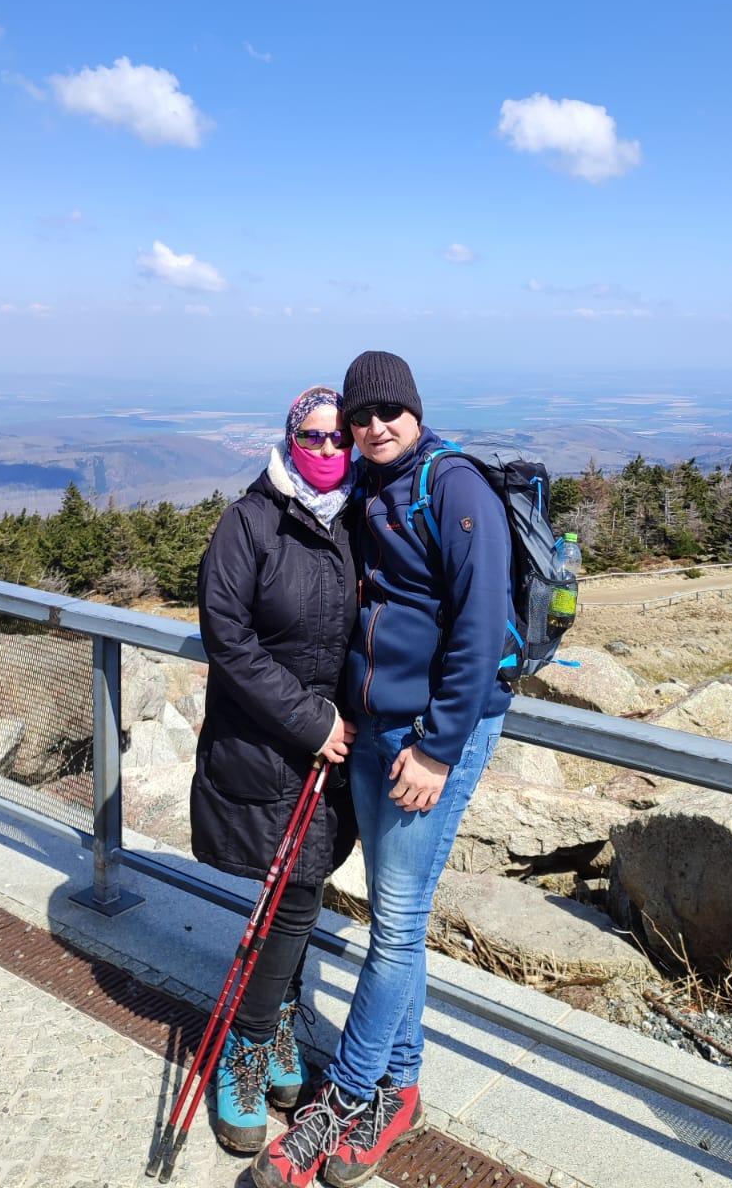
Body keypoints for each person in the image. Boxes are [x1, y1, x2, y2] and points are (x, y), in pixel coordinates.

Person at [253, 351, 515, 1188]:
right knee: (397, 924)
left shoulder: (455, 488)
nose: (372, 428)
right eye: (360, 417)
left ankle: (344, 1099)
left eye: (387, 412)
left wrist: (437, 750)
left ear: (415, 409)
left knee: (396, 926)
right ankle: (400, 1092)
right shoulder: (372, 483)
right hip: (374, 727)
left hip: (428, 739)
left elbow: (480, 629)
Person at [192, 385, 359, 1155]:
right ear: (290, 440)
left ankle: (280, 1030)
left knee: (297, 895)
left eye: (337, 437)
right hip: (267, 747)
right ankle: (247, 1049)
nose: (326, 449)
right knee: (292, 902)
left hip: (331, 754)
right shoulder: (249, 522)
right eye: (312, 436)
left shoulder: (357, 520)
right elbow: (227, 639)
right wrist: (311, 720)